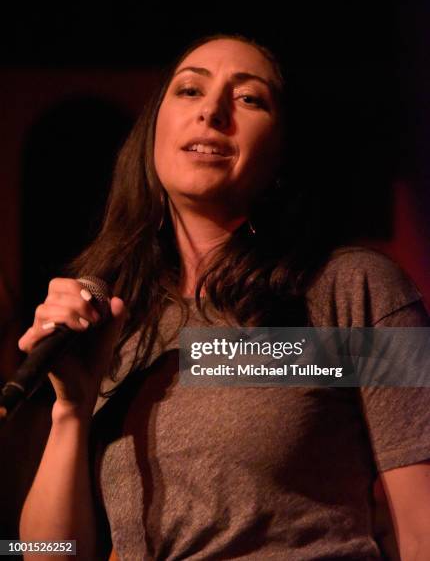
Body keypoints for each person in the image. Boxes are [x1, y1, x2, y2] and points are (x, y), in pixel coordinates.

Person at [18, 34, 430, 560]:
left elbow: (422, 530)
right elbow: (38, 552)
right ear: (153, 131)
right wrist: (71, 411)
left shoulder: (354, 289)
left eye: (249, 99)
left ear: (283, 150)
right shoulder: (117, 322)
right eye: (189, 91)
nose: (211, 112)